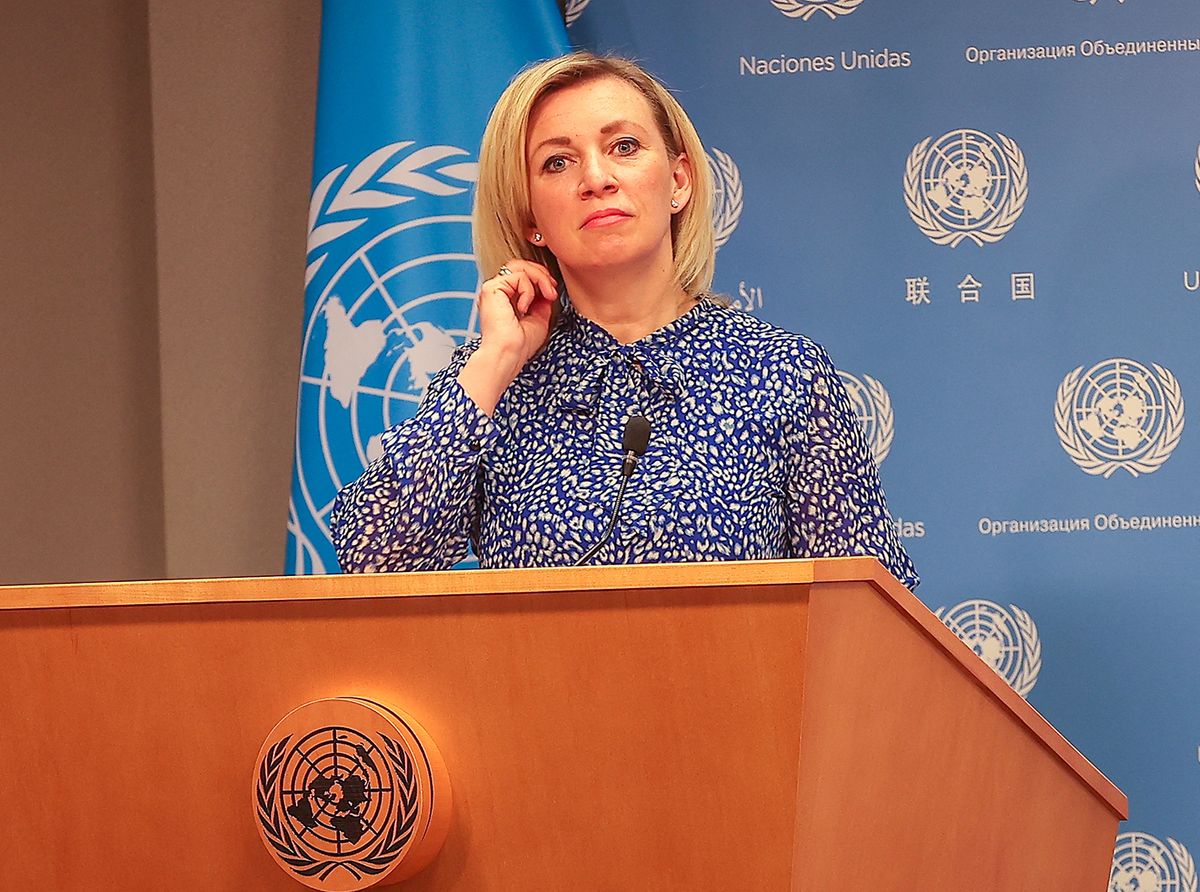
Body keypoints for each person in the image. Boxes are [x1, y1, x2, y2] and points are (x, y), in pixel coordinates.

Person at [329, 51, 918, 589]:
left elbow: (870, 617)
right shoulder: (494, 377)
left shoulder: (779, 373)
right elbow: (374, 559)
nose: (596, 179)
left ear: (679, 182)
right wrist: (495, 360)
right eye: (557, 162)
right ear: (529, 215)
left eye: (624, 147)